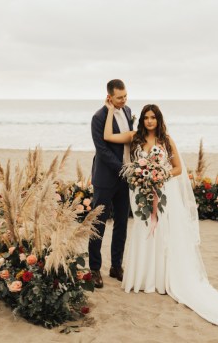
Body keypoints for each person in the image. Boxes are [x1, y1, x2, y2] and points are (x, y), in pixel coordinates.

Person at [103, 101, 218, 329]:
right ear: (142, 120)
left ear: (159, 119)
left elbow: (178, 169)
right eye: (146, 117)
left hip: (163, 193)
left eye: (153, 117)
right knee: (145, 231)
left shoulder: (166, 140)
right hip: (142, 194)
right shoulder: (135, 137)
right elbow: (108, 136)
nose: (150, 121)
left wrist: (160, 173)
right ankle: (144, 279)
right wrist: (110, 110)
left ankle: (163, 280)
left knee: (163, 233)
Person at [88, 79, 133, 288]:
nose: (123, 100)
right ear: (109, 97)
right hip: (106, 179)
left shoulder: (128, 111)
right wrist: (123, 169)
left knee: (122, 224)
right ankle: (95, 269)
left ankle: (116, 266)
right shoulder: (98, 118)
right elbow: (103, 151)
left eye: (125, 96)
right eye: (119, 97)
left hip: (126, 179)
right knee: (98, 224)